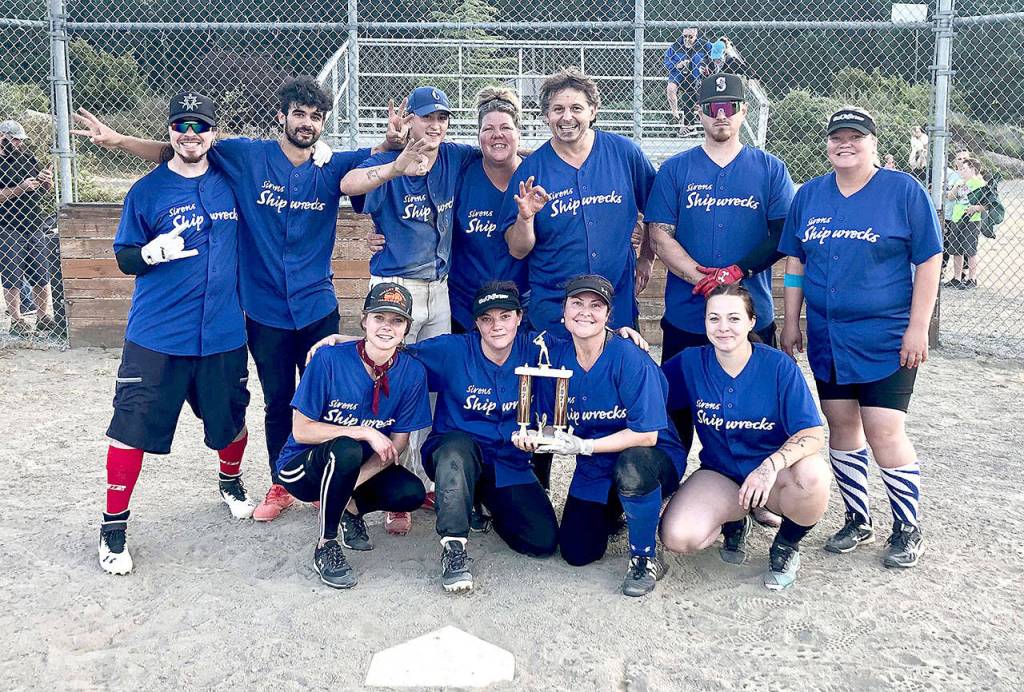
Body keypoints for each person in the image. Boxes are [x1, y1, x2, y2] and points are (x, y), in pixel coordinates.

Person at [72, 77, 403, 523]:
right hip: (264, 310)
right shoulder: (246, 156)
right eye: (299, 114)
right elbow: (181, 148)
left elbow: (372, 166)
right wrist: (116, 141)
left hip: (315, 306)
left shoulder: (330, 165)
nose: (306, 123)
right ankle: (281, 482)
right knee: (279, 400)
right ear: (280, 117)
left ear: (324, 123)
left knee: (330, 397)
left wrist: (387, 141)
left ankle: (339, 488)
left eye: (316, 116)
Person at [97, 93, 254, 575]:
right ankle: (113, 526)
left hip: (223, 334)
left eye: (200, 126)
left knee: (230, 421)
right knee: (130, 430)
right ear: (169, 132)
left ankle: (230, 481)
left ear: (213, 134)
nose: (190, 134)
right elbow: (124, 257)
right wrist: (148, 253)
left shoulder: (233, 182)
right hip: (157, 337)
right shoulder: (147, 191)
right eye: (181, 126)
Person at [779, 107, 941, 569]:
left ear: (873, 141)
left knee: (885, 429)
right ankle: (857, 516)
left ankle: (907, 526)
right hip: (831, 335)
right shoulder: (810, 194)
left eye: (855, 136)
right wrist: (792, 321)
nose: (844, 144)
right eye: (836, 137)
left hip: (887, 334)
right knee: (842, 424)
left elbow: (929, 260)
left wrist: (917, 327)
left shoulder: (902, 191)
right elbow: (796, 264)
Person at [340, 85, 482, 534]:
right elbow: (349, 185)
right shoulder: (390, 162)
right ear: (409, 120)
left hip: (438, 287)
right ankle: (381, 486)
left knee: (431, 385)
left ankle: (420, 482)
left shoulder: (455, 157)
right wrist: (392, 163)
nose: (435, 125)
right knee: (384, 380)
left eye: (442, 117)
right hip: (395, 286)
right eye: (426, 117)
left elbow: (501, 152)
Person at [646, 74, 795, 468]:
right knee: (675, 408)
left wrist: (734, 273)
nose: (722, 115)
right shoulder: (676, 169)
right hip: (687, 312)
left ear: (743, 111)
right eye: (713, 108)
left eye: (730, 106)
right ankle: (667, 484)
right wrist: (704, 278)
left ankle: (758, 491)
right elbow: (659, 235)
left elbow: (781, 233)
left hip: (751, 313)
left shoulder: (770, 168)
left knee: (757, 409)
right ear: (700, 113)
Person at [515, 275, 686, 598]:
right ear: (563, 312)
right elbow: (555, 425)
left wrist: (586, 445)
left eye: (596, 306)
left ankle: (645, 556)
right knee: (577, 552)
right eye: (577, 303)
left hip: (650, 457)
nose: (585, 312)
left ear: (609, 316)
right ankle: (623, 507)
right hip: (596, 464)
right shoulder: (555, 356)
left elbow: (647, 435)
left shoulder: (628, 356)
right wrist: (534, 439)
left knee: (632, 469)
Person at [659, 285, 829, 590]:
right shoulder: (690, 362)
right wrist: (620, 343)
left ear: (752, 321)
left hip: (774, 476)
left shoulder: (778, 366)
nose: (723, 327)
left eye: (734, 318)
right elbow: (646, 387)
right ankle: (734, 518)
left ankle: (787, 544)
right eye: (714, 319)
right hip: (721, 472)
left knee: (813, 477)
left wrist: (770, 466)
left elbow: (813, 433)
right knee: (677, 537)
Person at [275, 282, 431, 589]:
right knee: (346, 447)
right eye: (379, 318)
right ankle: (326, 544)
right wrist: (364, 431)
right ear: (364, 321)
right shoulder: (329, 359)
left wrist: (351, 485)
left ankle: (350, 509)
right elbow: (301, 429)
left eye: (397, 321)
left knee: (411, 492)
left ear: (406, 329)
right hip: (302, 466)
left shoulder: (412, 373)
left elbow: (397, 446)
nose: (387, 327)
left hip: (353, 468)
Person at [499, 67, 657, 337]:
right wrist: (525, 219)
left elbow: (657, 210)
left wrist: (646, 257)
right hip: (554, 308)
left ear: (593, 111)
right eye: (557, 109)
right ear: (547, 116)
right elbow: (517, 250)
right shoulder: (532, 170)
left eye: (576, 108)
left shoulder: (624, 153)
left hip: (615, 304)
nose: (567, 117)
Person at [0, 120, 57, 336]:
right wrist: (20, 189)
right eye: (14, 139)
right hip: (7, 226)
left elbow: (45, 190)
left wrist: (46, 181)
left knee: (41, 274)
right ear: (2, 137)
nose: (18, 143)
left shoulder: (26, 158)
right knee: (11, 275)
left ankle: (43, 316)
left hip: (34, 223)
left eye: (20, 140)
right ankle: (17, 320)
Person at [945, 157, 994, 290]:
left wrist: (975, 208)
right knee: (956, 249)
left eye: (964, 169)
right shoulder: (960, 182)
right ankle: (957, 277)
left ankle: (972, 278)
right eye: (960, 169)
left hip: (971, 220)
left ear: (973, 169)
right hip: (957, 218)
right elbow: (950, 197)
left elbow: (987, 204)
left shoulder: (980, 184)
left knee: (970, 250)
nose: (961, 172)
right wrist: (956, 188)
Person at [663, 28, 706, 131]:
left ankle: (695, 123)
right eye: (685, 36)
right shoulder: (676, 45)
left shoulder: (703, 45)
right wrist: (677, 65)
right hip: (678, 73)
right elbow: (666, 60)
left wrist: (705, 65)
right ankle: (675, 115)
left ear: (696, 36)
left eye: (690, 37)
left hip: (696, 75)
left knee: (691, 99)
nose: (687, 39)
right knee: (670, 89)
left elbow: (713, 54)